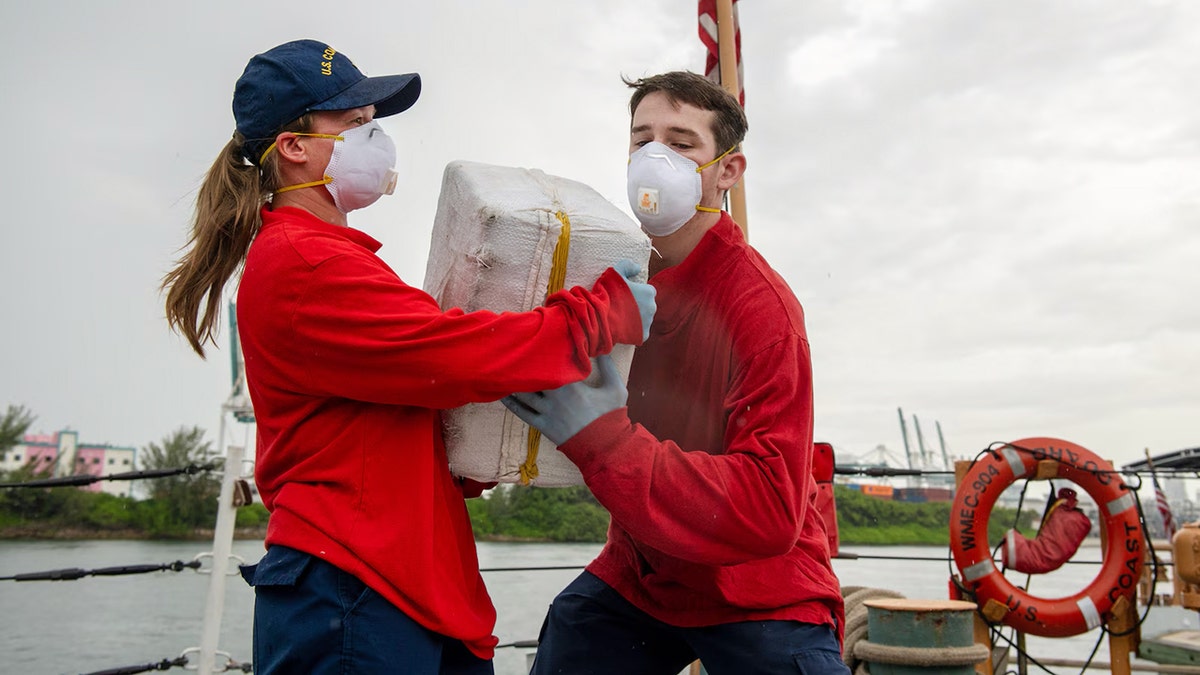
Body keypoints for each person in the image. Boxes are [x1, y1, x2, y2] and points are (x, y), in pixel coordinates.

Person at [160, 39, 655, 675]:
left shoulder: (328, 255)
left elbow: (395, 396)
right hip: (351, 582)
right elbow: (454, 356)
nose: (378, 137)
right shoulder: (307, 262)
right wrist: (600, 313)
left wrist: (459, 461)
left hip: (398, 578)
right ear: (293, 147)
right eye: (356, 123)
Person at [504, 70, 848, 675]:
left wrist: (603, 438)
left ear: (727, 171)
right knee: (570, 636)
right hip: (646, 572)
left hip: (758, 586)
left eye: (682, 142)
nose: (654, 157)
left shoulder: (763, 310)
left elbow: (770, 509)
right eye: (641, 141)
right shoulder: (607, 280)